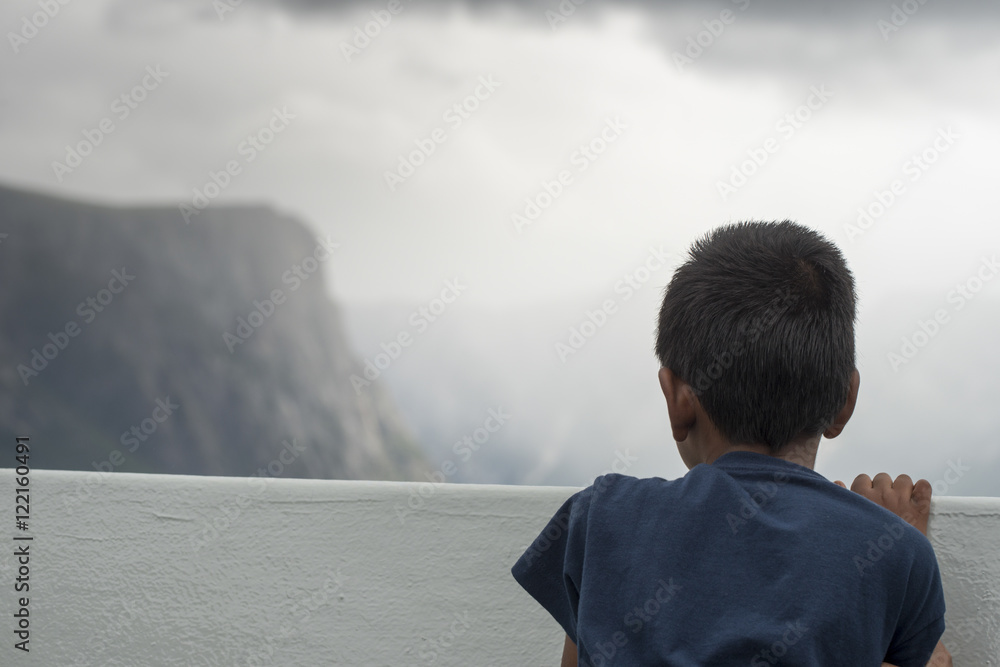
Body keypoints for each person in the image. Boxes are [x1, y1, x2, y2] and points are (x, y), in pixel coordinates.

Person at [511, 220, 950, 666]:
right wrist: (897, 542)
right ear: (845, 401)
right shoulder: (895, 555)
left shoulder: (603, 518)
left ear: (678, 399)